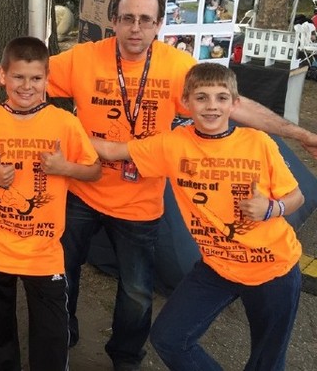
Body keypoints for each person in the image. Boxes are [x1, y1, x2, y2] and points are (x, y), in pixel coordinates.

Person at [0, 0, 317, 370]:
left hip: (140, 198)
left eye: (146, 20)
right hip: (83, 190)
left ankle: (126, 356)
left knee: (136, 291)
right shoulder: (83, 58)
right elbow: (15, 74)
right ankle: (65, 334)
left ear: (160, 25)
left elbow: (236, 105)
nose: (135, 28)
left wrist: (300, 134)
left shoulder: (177, 67)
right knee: (64, 272)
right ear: (113, 20)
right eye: (127, 18)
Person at [92, 63, 304, 371]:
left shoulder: (258, 143)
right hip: (218, 267)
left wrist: (271, 209)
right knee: (169, 338)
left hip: (274, 268)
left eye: (221, 98)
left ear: (235, 104)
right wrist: (57, 131)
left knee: (266, 362)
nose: (211, 106)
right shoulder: (174, 144)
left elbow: (296, 197)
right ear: (186, 102)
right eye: (202, 97)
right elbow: (113, 151)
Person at [0, 36, 101, 370]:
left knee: (51, 336)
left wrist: (65, 168)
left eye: (35, 78)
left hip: (44, 252)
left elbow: (94, 170)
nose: (26, 86)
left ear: (47, 79)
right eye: (18, 77)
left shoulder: (64, 123)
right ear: (3, 75)